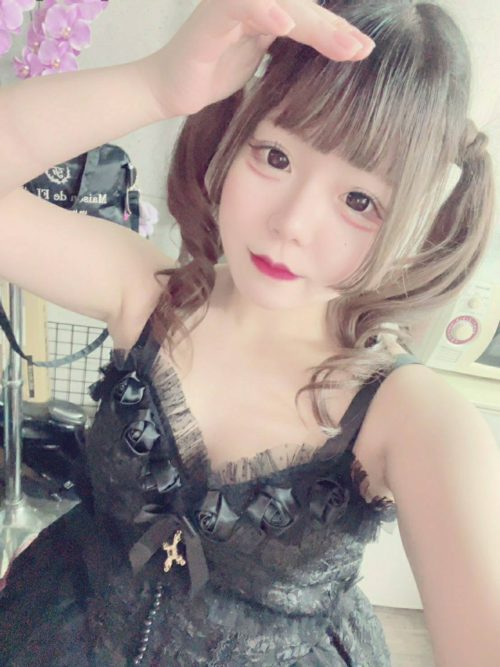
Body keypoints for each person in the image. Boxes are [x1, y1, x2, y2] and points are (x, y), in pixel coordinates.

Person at [0, 0, 499, 665]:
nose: (291, 223)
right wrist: (157, 83)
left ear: (413, 219)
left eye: (359, 201)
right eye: (275, 155)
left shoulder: (408, 417)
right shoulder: (146, 294)